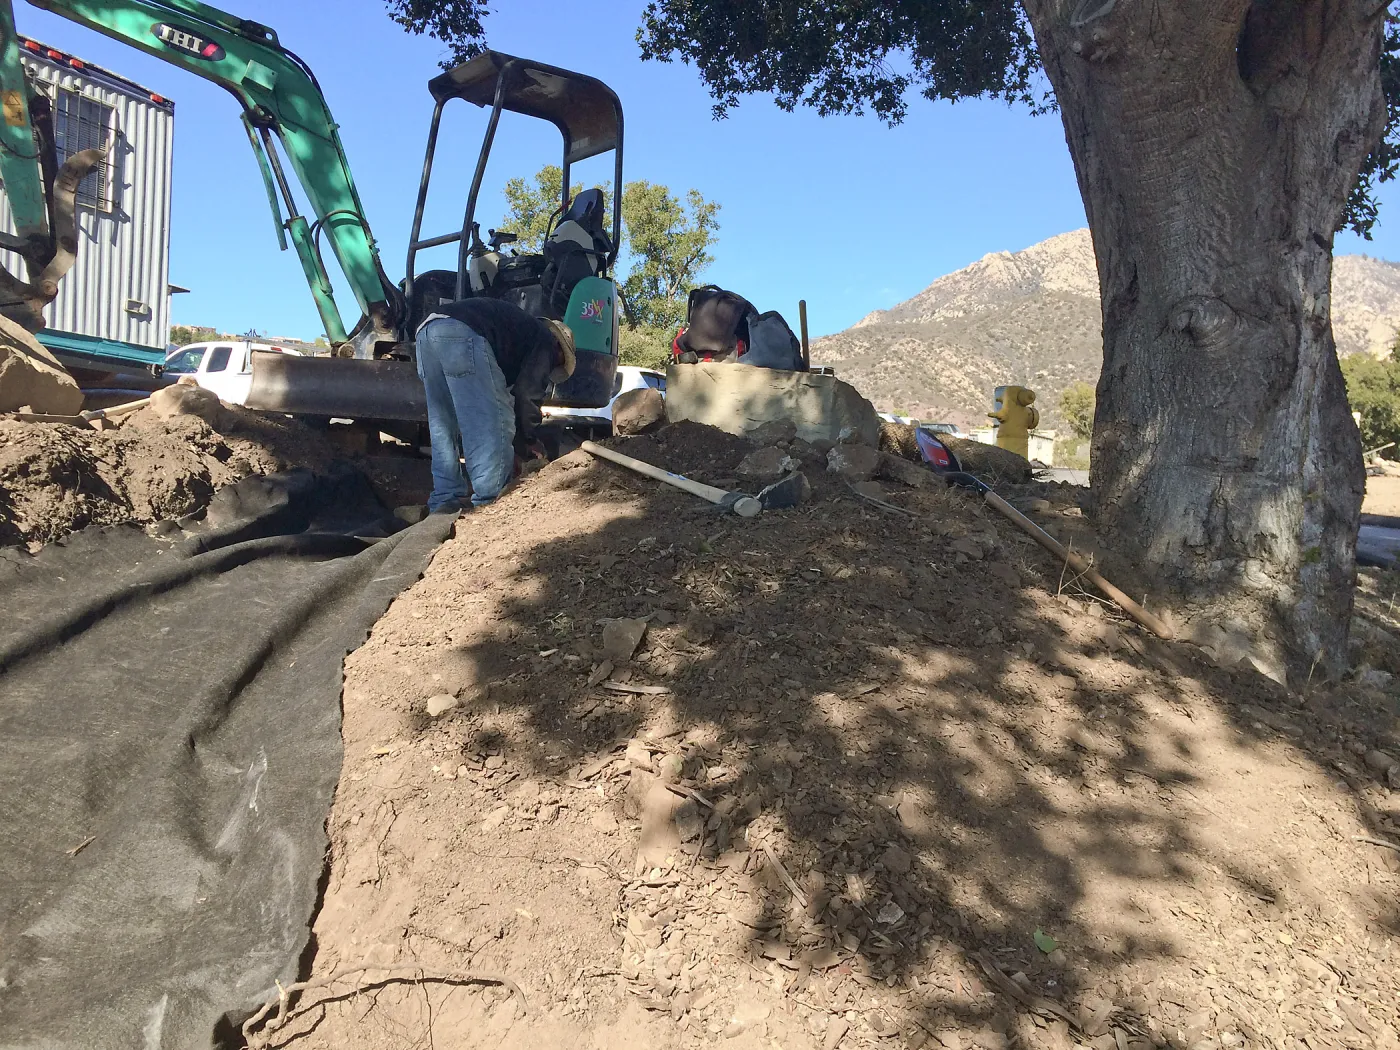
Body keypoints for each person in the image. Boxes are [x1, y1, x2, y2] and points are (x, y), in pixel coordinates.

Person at [415, 298, 575, 512]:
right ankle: (490, 502)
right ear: (559, 349)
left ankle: (445, 499)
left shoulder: (516, 333)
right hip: (462, 334)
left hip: (427, 333)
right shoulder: (545, 341)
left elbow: (515, 393)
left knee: (443, 424)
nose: (551, 369)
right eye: (557, 364)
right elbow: (528, 395)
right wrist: (528, 440)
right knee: (489, 423)